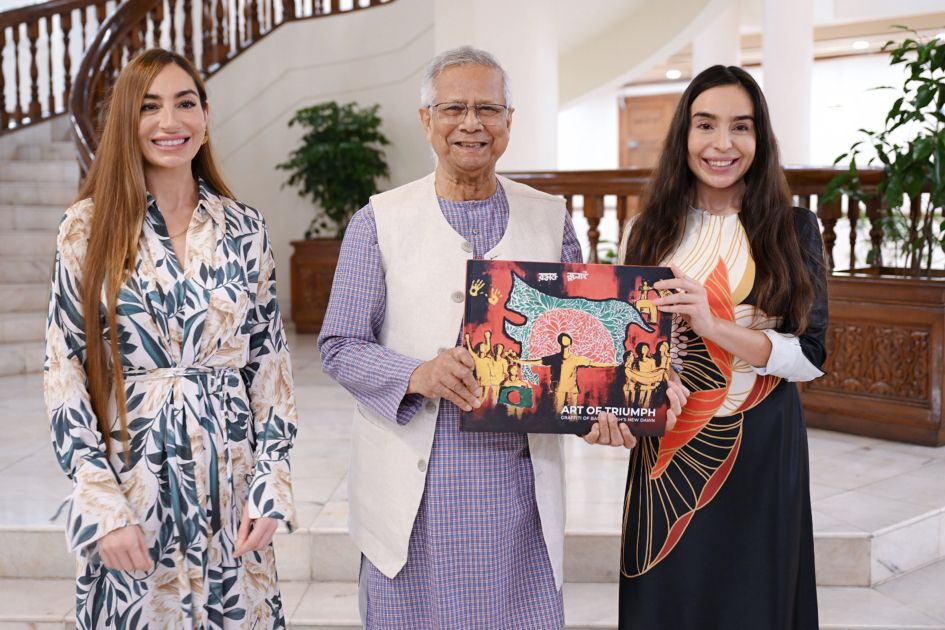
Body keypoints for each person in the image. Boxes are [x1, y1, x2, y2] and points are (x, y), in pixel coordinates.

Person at [317, 46, 688, 629]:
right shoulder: (378, 221)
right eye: (454, 109)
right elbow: (339, 345)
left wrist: (606, 410)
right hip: (415, 492)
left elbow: (583, 334)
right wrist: (417, 374)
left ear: (509, 121)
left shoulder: (550, 219)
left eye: (488, 109)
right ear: (427, 120)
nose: (471, 123)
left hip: (517, 492)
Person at [44, 48, 297, 629]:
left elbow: (269, 364)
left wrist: (271, 480)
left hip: (230, 481)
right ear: (126, 121)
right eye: (149, 107)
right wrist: (100, 502)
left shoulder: (245, 227)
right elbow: (64, 368)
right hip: (132, 480)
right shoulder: (87, 227)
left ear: (205, 115)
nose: (170, 122)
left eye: (185, 103)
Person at [614, 65, 828, 629]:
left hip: (763, 444)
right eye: (705, 124)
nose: (722, 144)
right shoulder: (647, 231)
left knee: (753, 599)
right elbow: (631, 346)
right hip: (668, 444)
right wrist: (652, 382)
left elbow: (808, 357)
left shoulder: (794, 229)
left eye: (741, 126)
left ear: (760, 138)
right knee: (667, 596)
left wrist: (713, 324)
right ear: (684, 134)